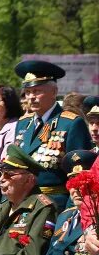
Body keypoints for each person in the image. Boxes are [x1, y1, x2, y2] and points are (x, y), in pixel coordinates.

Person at [13, 60, 91, 211]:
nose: (31, 97)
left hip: (54, 207)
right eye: (28, 93)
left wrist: (68, 213)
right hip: (23, 204)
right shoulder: (23, 124)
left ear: (54, 92)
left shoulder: (71, 123)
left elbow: (79, 178)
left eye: (37, 92)